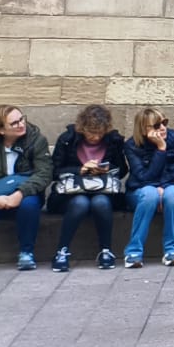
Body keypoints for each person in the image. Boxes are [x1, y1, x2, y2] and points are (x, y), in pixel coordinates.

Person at [49, 103, 128, 272]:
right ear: (82, 128)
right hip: (71, 194)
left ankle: (106, 251)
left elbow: (122, 170)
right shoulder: (68, 139)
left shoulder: (113, 140)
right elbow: (54, 171)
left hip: (102, 190)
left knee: (101, 202)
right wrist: (80, 170)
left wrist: (106, 169)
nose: (95, 137)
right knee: (81, 203)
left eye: (100, 133)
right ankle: (62, 251)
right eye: (91, 132)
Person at [0, 105, 51, 272]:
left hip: (25, 193)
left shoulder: (36, 140)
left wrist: (20, 193)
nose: (21, 124)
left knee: (29, 204)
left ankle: (26, 253)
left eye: (21, 119)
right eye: (14, 123)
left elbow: (44, 173)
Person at [122, 107, 174, 269]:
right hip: (139, 190)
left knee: (173, 195)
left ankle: (172, 250)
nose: (163, 128)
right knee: (150, 194)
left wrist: (162, 186)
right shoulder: (132, 145)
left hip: (168, 186)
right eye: (157, 125)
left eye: (164, 122)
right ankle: (134, 252)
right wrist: (161, 149)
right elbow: (143, 177)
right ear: (143, 129)